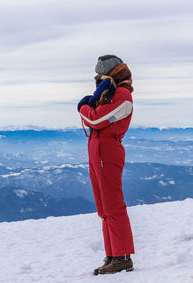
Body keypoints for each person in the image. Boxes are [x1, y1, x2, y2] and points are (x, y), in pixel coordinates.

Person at [77, 55, 135, 275]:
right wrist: (90, 108)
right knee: (103, 207)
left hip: (107, 150)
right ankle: (112, 254)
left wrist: (83, 107)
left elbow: (96, 120)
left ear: (111, 74)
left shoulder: (122, 95)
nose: (97, 79)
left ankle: (122, 256)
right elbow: (96, 118)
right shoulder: (110, 94)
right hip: (97, 149)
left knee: (112, 204)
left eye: (100, 75)